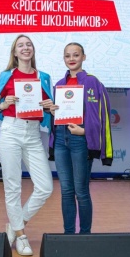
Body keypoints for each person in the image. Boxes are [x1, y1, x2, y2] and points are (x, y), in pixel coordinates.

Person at [0, 34, 55, 256]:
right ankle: (21, 236)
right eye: (21, 45)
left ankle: (15, 226)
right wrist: (3, 104)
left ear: (33, 50)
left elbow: (51, 108)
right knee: (12, 187)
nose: (25, 48)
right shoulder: (6, 76)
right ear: (15, 53)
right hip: (10, 131)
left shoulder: (43, 77)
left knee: (45, 187)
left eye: (29, 44)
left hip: (33, 134)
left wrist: (50, 106)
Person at [48, 42, 113, 234]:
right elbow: (59, 114)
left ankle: (85, 235)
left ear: (83, 57)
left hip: (80, 139)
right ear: (63, 58)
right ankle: (68, 234)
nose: (71, 59)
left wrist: (85, 132)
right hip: (61, 139)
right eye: (67, 56)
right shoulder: (59, 84)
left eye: (76, 55)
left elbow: (100, 114)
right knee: (66, 191)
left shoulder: (92, 82)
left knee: (81, 191)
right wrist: (53, 111)